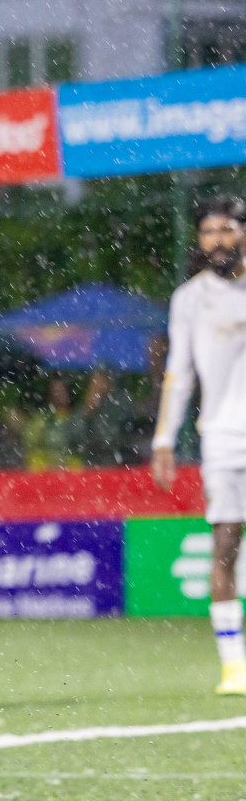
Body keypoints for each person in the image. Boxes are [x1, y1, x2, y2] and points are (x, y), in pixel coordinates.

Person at [152, 194, 246, 696]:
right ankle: (234, 667)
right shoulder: (189, 298)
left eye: (228, 229)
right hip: (224, 441)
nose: (218, 240)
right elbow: (179, 373)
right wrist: (164, 438)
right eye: (209, 231)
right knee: (225, 547)